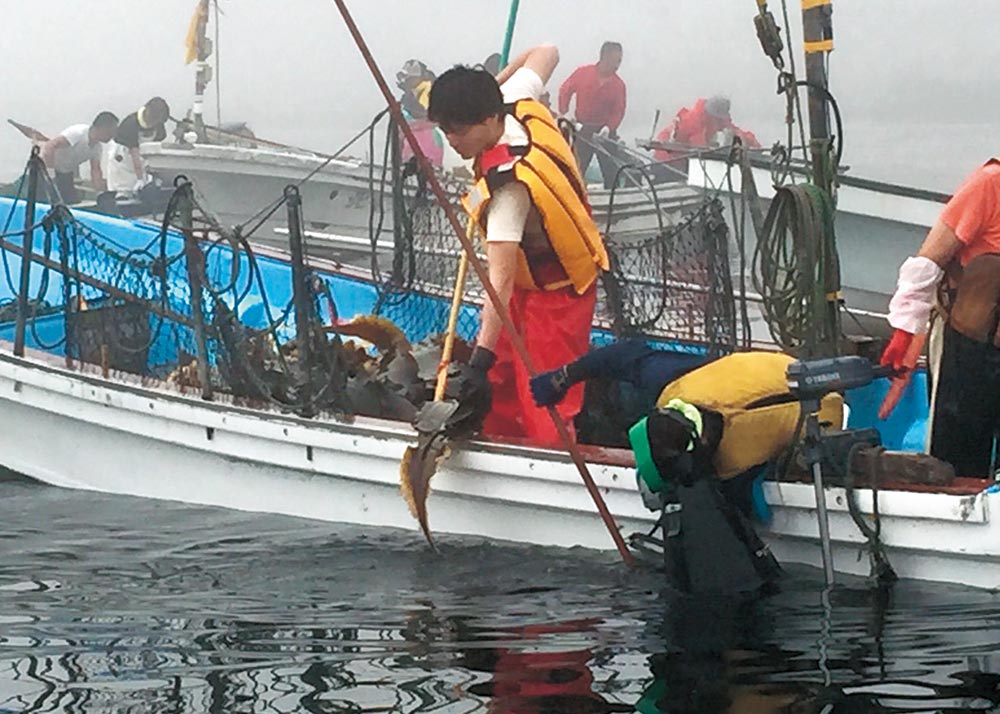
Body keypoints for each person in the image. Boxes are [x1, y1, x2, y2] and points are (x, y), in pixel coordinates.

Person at [427, 45, 609, 446]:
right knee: (499, 387)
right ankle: (499, 445)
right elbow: (546, 51)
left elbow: (499, 282)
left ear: (489, 119)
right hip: (523, 284)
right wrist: (489, 87)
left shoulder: (509, 190)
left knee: (545, 401)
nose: (452, 141)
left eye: (460, 130)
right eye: (446, 130)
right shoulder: (513, 97)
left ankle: (554, 463)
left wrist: (479, 359)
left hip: (558, 292)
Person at [881, 157, 1000, 477]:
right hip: (966, 348)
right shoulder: (990, 184)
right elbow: (929, 261)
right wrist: (905, 334)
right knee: (954, 461)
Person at [557, 41, 627, 189]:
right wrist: (565, 112)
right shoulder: (583, 73)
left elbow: (619, 111)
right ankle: (571, 195)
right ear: (604, 57)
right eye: (615, 61)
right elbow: (565, 90)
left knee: (611, 173)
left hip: (605, 133)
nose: (617, 65)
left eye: (619, 61)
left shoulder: (619, 85)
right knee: (576, 169)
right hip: (582, 129)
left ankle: (612, 198)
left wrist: (609, 128)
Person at [652, 96, 760, 177]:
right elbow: (701, 151)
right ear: (712, 115)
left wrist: (751, 142)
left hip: (684, 160)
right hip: (666, 161)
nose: (721, 121)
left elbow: (734, 129)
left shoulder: (716, 117)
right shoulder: (694, 121)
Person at [38, 112, 119, 204]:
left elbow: (95, 170)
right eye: (111, 132)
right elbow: (50, 146)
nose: (112, 136)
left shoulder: (97, 148)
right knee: (45, 201)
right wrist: (50, 173)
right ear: (102, 128)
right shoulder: (78, 133)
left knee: (70, 202)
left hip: (65, 173)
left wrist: (101, 191)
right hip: (45, 169)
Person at [107, 97, 170, 194]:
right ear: (147, 111)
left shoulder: (159, 125)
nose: (155, 123)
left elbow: (156, 148)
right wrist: (140, 178)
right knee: (122, 193)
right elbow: (134, 152)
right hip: (122, 161)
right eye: (154, 119)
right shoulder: (130, 124)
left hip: (141, 161)